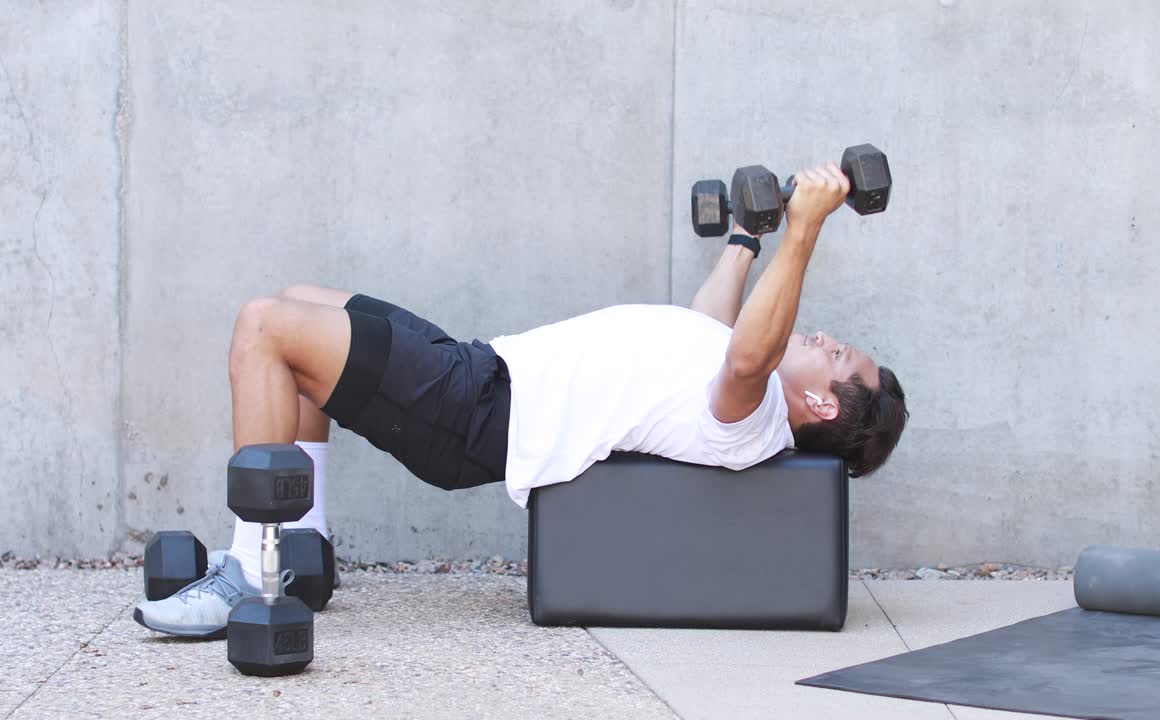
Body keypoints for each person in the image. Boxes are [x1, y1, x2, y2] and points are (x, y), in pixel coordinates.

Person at [133, 162, 908, 638]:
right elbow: (711, 327)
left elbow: (749, 351)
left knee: (264, 328)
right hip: (479, 371)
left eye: (837, 355)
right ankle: (300, 552)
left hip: (475, 414)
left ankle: (250, 569)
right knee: (298, 301)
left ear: (827, 407)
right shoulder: (729, 385)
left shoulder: (755, 416)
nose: (826, 338)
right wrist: (747, 238)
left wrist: (804, 230)